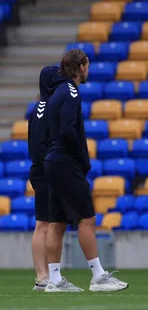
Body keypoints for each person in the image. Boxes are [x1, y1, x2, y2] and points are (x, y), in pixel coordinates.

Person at [44, 49, 128, 292]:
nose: (88, 70)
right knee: (87, 218)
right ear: (80, 67)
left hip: (53, 161)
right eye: (87, 66)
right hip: (66, 162)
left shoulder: (55, 93)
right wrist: (82, 160)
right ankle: (98, 277)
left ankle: (55, 280)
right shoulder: (70, 91)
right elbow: (69, 131)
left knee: (57, 223)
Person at [28, 65, 65, 291]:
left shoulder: (36, 109)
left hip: (41, 169)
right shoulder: (51, 107)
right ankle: (44, 277)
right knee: (45, 224)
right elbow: (42, 145)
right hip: (48, 171)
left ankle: (45, 275)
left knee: (45, 224)